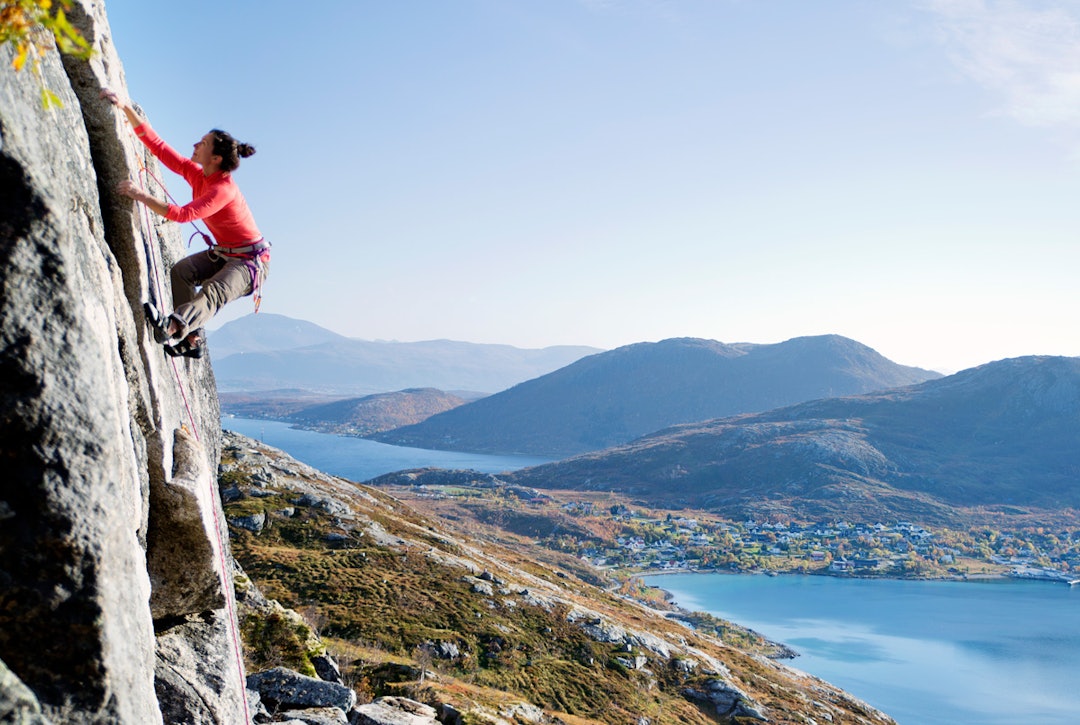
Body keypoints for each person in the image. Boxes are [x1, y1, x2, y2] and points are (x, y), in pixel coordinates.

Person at [100, 88, 270, 359]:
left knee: (213, 293)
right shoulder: (199, 174)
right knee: (181, 272)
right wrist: (124, 107)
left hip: (249, 264)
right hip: (227, 253)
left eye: (203, 143)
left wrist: (138, 194)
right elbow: (160, 148)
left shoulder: (222, 189)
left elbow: (181, 215)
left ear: (216, 159)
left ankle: (174, 326)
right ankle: (192, 339)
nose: (195, 145)